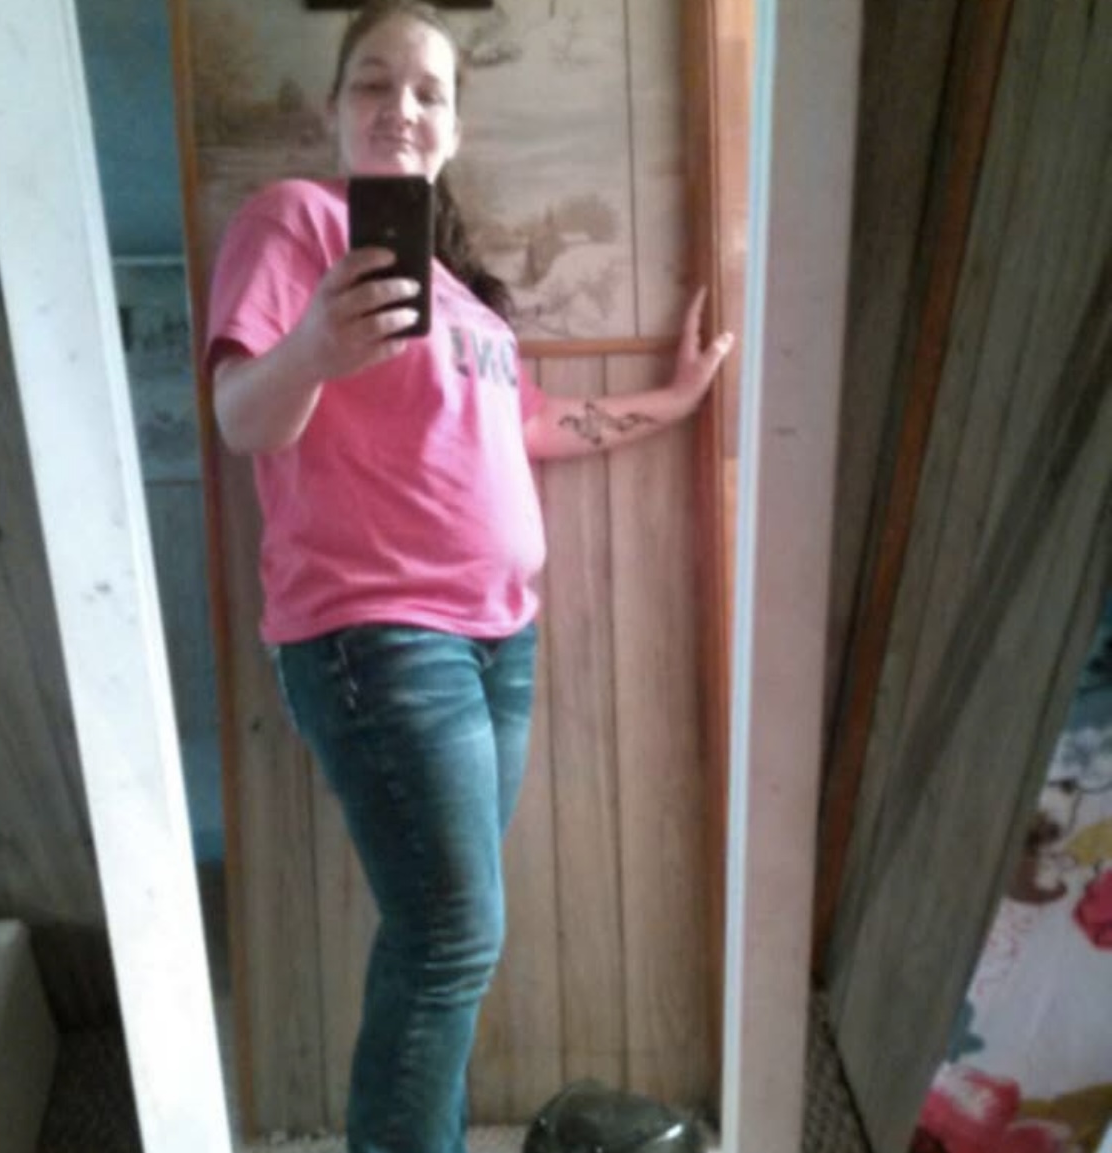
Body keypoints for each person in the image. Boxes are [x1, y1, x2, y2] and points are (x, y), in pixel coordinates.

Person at [204, 3, 734, 1152]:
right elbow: (242, 416)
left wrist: (675, 400)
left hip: (499, 639)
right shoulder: (293, 221)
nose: (401, 108)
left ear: (454, 128)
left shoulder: (454, 289)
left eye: (428, 92)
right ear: (334, 108)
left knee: (443, 938)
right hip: (379, 634)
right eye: (373, 84)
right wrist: (314, 350)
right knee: (451, 939)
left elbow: (530, 427)